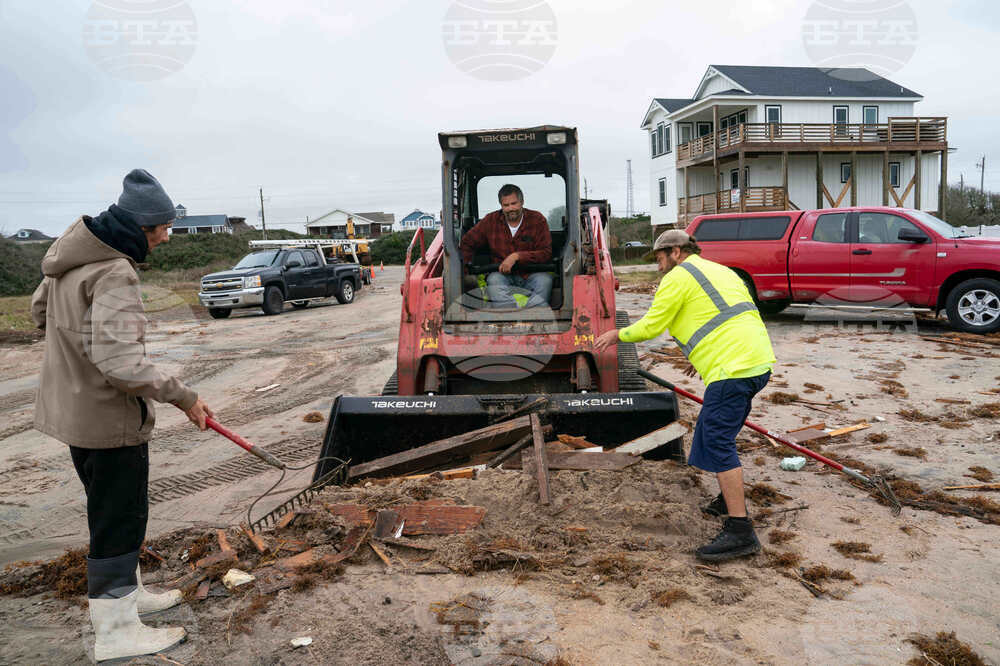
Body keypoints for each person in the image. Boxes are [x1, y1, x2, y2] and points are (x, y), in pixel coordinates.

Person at [31, 169, 214, 662]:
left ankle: (128, 601)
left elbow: (38, 314)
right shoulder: (115, 271)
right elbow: (121, 365)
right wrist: (183, 395)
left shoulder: (68, 263)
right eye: (163, 228)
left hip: (76, 415)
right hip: (109, 422)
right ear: (142, 228)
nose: (166, 237)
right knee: (118, 521)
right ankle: (114, 631)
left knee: (111, 514)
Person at [595, 230, 775, 562]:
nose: (658, 266)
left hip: (733, 369)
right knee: (713, 431)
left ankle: (740, 531)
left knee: (718, 440)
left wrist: (616, 334)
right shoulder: (719, 270)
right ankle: (727, 499)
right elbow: (721, 317)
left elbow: (650, 327)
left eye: (660, 258)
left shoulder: (678, 277)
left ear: (676, 252)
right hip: (757, 362)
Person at [460, 184, 553, 308]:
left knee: (545, 281)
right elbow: (467, 243)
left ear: (522, 202)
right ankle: (509, 319)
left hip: (531, 274)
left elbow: (546, 253)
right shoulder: (490, 221)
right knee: (494, 280)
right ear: (501, 206)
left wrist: (517, 256)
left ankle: (532, 317)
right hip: (502, 275)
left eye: (514, 203)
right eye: (506, 205)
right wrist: (465, 272)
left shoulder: (537, 220)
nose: (510, 208)